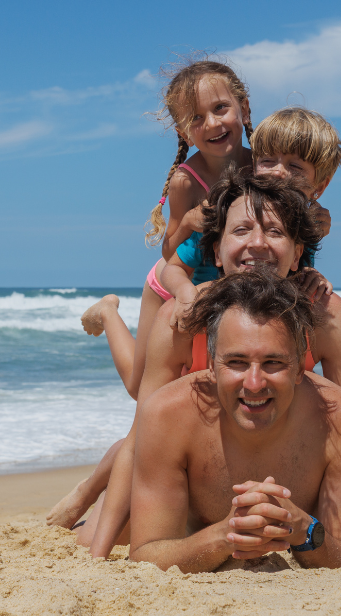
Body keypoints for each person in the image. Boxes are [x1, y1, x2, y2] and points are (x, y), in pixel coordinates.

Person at [84, 170, 341, 557]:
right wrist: (98, 550)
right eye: (242, 230)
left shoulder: (325, 314)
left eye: (274, 231)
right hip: (193, 462)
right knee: (100, 527)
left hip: (278, 455)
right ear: (215, 251)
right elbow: (141, 437)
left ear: (298, 252)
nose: (257, 243)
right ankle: (108, 313)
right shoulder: (181, 316)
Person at [129, 270, 341, 573]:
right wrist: (226, 535)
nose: (255, 383)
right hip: (194, 538)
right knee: (85, 536)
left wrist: (303, 530)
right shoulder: (166, 415)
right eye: (236, 362)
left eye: (273, 363)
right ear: (211, 364)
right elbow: (145, 554)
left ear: (299, 366)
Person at [78, 57, 253, 402]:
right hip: (172, 283)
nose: (212, 123)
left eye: (220, 108)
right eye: (196, 119)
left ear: (244, 109)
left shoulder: (262, 164)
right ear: (183, 132)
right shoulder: (186, 181)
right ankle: (109, 312)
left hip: (224, 285)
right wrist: (187, 222)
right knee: (139, 388)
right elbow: (169, 250)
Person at [160, 106, 341, 321]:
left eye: (294, 166)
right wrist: (185, 293)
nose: (278, 171)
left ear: (320, 187)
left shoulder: (307, 224)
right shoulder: (227, 212)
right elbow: (172, 269)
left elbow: (293, 270)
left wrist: (310, 277)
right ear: (254, 165)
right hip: (211, 307)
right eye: (267, 161)